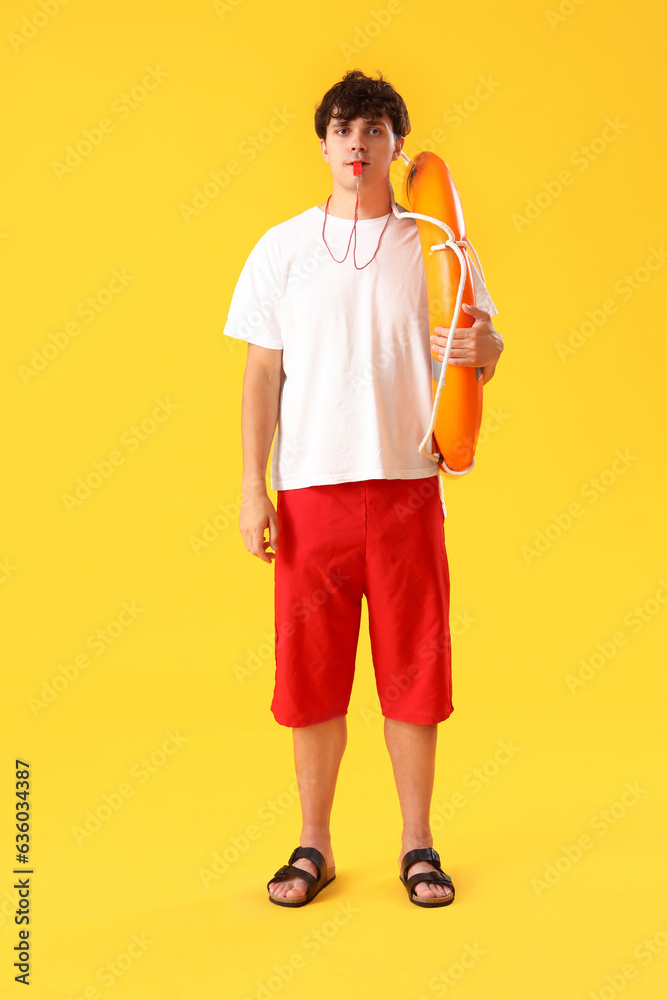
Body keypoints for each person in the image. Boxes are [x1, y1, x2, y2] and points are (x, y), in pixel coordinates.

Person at [223, 69, 503, 908]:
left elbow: (484, 347)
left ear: (396, 146)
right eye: (344, 129)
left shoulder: (435, 242)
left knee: (414, 671)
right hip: (309, 491)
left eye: (374, 129)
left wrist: (478, 351)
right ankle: (314, 845)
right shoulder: (282, 249)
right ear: (323, 144)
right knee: (309, 675)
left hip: (408, 485)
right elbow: (260, 374)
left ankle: (418, 845)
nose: (357, 143)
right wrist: (251, 487)